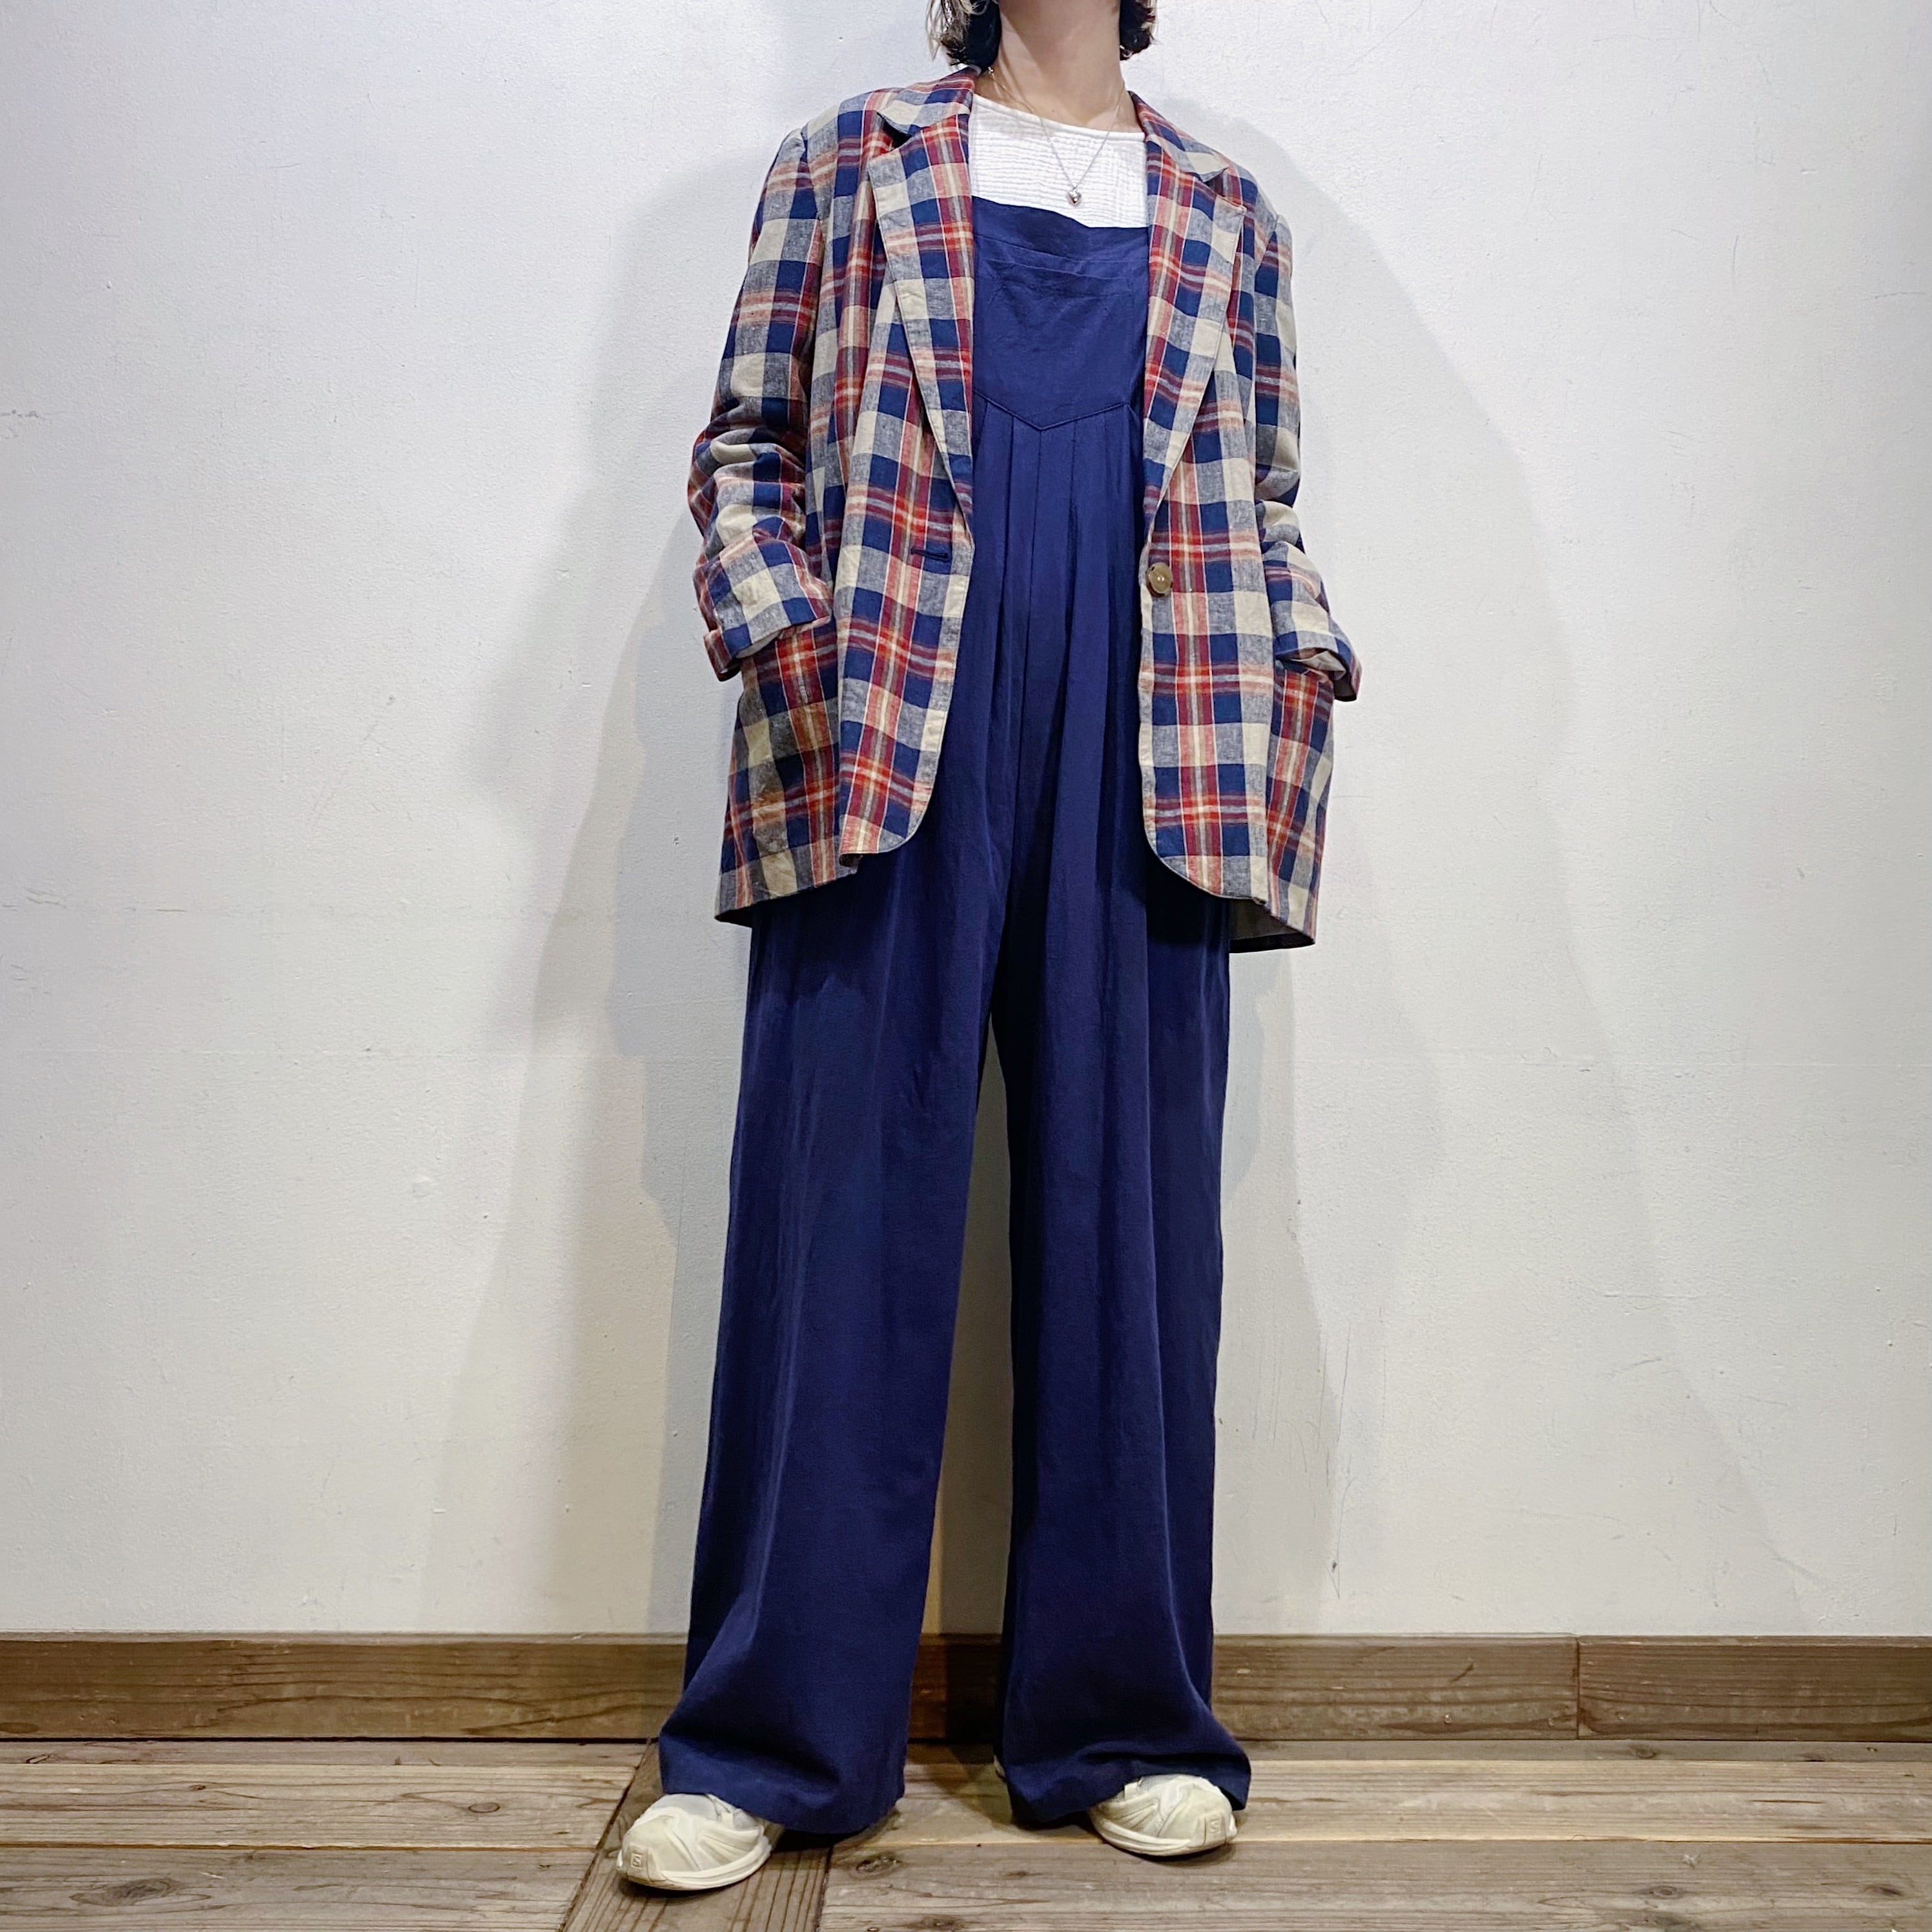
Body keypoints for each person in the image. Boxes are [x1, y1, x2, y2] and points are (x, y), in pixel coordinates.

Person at [621, 0, 1359, 1893]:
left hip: (1159, 736)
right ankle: (769, 1745)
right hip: (885, 726)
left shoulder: (1226, 212)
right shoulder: (848, 164)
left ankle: (1125, 1721)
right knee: (840, 1236)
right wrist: (789, 629)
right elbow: (748, 442)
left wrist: (1302, 652)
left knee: (1133, 1244)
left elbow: (1262, 490)